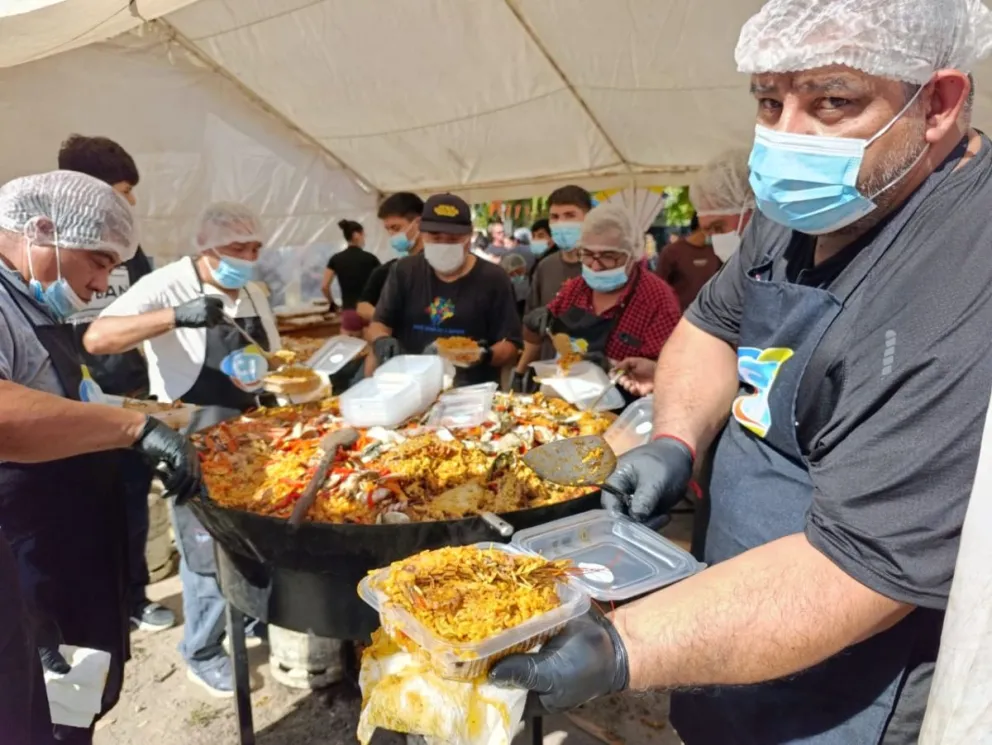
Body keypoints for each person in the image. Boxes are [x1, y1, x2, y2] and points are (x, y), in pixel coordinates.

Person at [489, 2, 992, 744]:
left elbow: (858, 570)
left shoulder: (961, 278)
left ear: (939, 104)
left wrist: (625, 646)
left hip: (845, 675)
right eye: (768, 99)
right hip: (722, 616)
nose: (786, 131)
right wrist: (676, 437)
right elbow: (712, 326)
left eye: (832, 100)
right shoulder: (809, 205)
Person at [0, 170, 199, 744]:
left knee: (83, 685)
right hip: (28, 542)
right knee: (43, 696)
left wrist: (120, 415)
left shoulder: (31, 299)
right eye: (97, 260)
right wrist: (132, 427)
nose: (101, 282)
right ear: (43, 230)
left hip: (75, 533)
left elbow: (59, 394)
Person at [84, 202, 280, 697]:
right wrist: (175, 317)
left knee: (254, 536)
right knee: (202, 551)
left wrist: (270, 379)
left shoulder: (254, 288)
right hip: (192, 438)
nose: (249, 257)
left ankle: (248, 617)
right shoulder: (167, 283)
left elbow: (267, 353)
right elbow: (97, 337)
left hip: (252, 436)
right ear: (207, 249)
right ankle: (203, 649)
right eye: (238, 249)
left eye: (255, 247)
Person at [59, 133, 176, 635]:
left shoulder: (129, 250)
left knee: (132, 502)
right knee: (71, 513)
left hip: (128, 398)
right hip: (65, 403)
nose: (129, 201)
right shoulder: (49, 252)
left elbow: (150, 308)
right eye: (122, 189)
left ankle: (134, 596)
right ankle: (78, 610)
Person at [517, 204, 681, 394]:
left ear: (632, 255)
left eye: (608, 256)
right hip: (567, 403)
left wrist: (610, 365)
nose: (595, 266)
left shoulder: (658, 300)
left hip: (626, 410)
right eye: (587, 254)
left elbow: (671, 375)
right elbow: (535, 337)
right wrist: (534, 324)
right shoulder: (576, 289)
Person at [366, 193, 522, 387]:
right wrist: (381, 340)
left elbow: (511, 344)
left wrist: (484, 354)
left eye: (453, 238)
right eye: (436, 236)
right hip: (411, 386)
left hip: (471, 391)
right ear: (422, 232)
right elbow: (379, 323)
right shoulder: (404, 271)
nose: (444, 244)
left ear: (469, 236)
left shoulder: (493, 278)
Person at [510, 186, 591, 391]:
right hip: (551, 377)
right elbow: (533, 333)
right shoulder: (546, 267)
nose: (561, 223)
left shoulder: (603, 267)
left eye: (570, 215)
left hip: (592, 379)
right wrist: (520, 372)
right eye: (555, 217)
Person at [658, 149, 755, 311]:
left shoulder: (791, 265)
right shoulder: (730, 275)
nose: (714, 239)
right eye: (708, 231)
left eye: (718, 227)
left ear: (751, 208)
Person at [356, 192, 424, 323]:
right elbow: (362, 306)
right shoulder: (388, 269)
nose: (392, 235)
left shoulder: (438, 266)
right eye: (388, 229)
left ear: (419, 223)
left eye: (396, 228)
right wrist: (388, 319)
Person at [322, 219, 380, 310]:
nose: (364, 239)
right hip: (370, 311)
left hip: (349, 312)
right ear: (356, 235)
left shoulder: (335, 259)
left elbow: (324, 286)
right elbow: (385, 284)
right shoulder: (371, 258)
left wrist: (332, 304)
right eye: (363, 235)